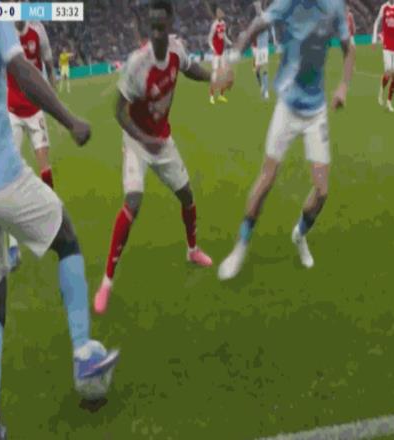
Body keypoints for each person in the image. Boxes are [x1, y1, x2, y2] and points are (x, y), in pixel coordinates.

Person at [0, 4, 119, 438]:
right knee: (67, 238)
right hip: (4, 175)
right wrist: (69, 120)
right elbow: (22, 71)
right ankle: (83, 351)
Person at [93, 0, 233, 314]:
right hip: (137, 141)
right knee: (133, 201)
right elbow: (118, 110)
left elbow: (189, 68)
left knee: (187, 195)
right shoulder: (137, 65)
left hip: (162, 140)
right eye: (152, 27)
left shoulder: (176, 50)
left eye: (161, 26)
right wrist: (144, 139)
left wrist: (212, 77)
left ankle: (192, 250)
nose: (157, 32)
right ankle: (107, 282)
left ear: (170, 25)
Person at [218, 0, 355, 280]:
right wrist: (231, 61)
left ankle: (299, 235)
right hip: (287, 108)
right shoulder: (289, 3)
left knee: (322, 191)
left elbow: (348, 48)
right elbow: (255, 27)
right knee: (266, 179)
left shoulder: (334, 6)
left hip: (316, 112)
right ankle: (240, 246)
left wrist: (343, 85)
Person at [7, 20, 57, 270]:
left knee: (44, 168)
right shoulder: (3, 28)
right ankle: (12, 244)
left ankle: (51, 223)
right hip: (12, 111)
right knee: (8, 175)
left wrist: (53, 96)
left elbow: (48, 63)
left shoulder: (38, 30)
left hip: (35, 108)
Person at [373, 0, 394, 113]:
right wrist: (374, 40)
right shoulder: (384, 7)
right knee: (388, 70)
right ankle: (381, 90)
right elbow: (376, 22)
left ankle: (389, 102)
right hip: (386, 44)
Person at [208, 4, 232, 104]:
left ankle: (221, 95)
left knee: (223, 75)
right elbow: (209, 39)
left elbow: (224, 35)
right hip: (216, 54)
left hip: (222, 53)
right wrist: (213, 49)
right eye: (219, 12)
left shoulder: (223, 23)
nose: (221, 14)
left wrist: (230, 42)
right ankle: (211, 96)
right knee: (214, 76)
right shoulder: (214, 25)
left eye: (221, 12)